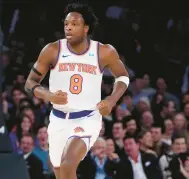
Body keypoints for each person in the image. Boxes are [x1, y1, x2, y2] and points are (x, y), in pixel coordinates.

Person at [25, 3, 129, 179]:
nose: (69, 27)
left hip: (87, 118)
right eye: (66, 24)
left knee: (67, 165)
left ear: (86, 28)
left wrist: (111, 101)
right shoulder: (52, 50)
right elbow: (30, 82)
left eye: (74, 24)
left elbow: (123, 77)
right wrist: (48, 95)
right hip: (58, 119)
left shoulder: (103, 51)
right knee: (59, 172)